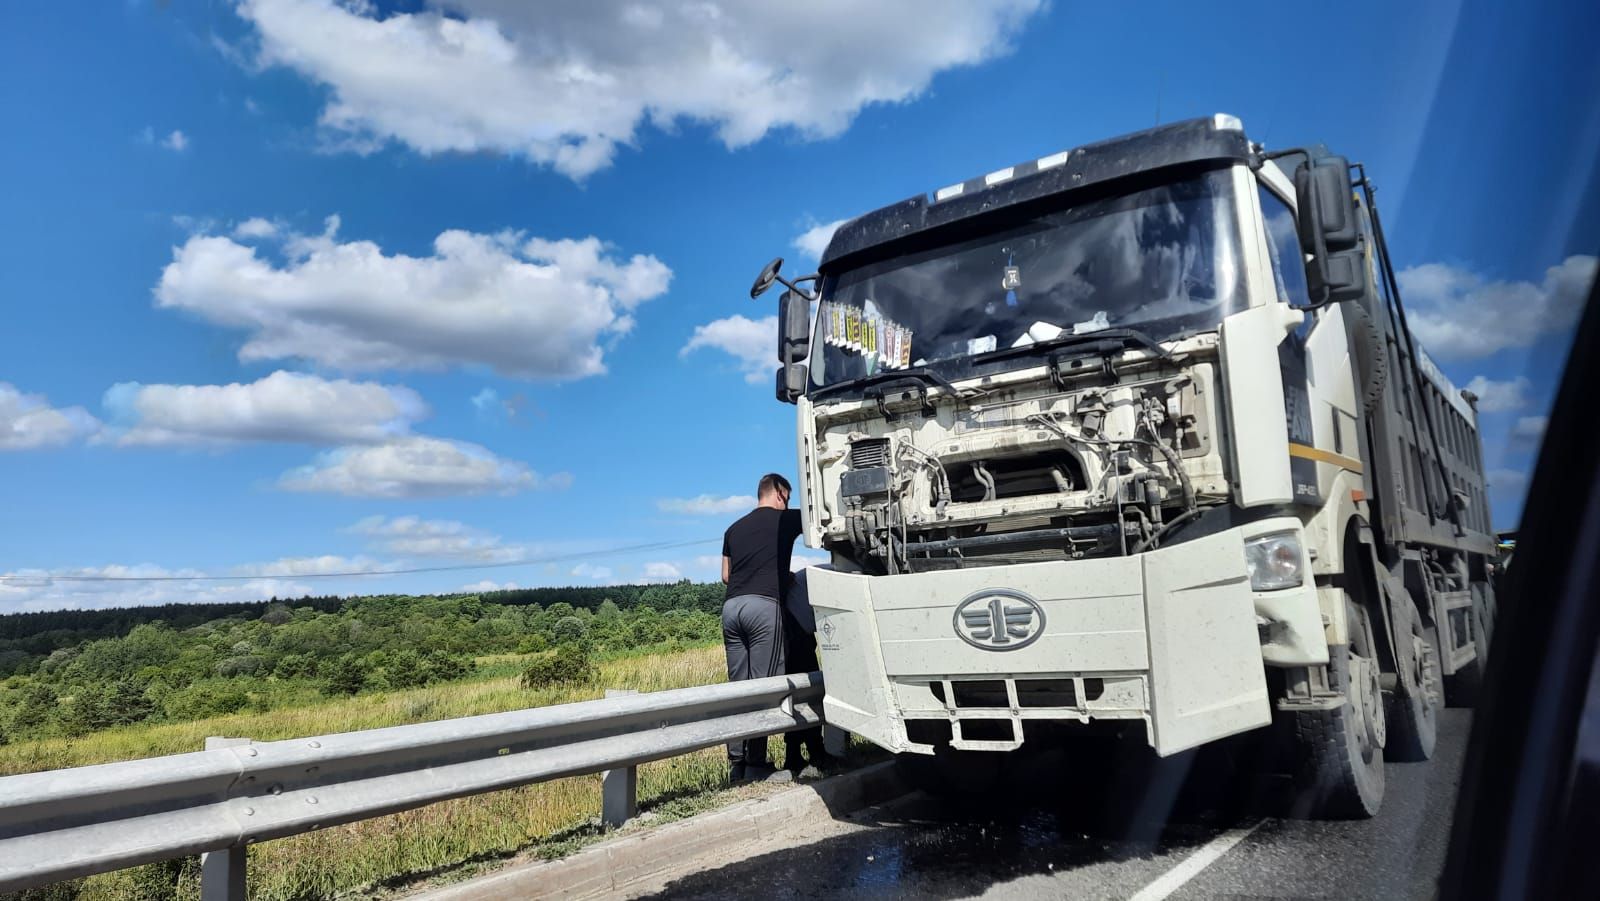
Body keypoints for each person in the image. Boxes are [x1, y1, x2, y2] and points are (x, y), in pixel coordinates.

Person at [720, 473, 804, 783]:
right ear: (780, 493)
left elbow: (726, 576)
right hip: (763, 608)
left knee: (739, 688)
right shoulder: (786, 520)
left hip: (731, 609)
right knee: (763, 686)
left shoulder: (733, 528)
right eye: (788, 497)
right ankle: (756, 765)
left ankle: (737, 763)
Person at [782, 567, 836, 779]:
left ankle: (795, 755)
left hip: (792, 631)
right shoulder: (819, 578)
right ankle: (815, 752)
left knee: (795, 697)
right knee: (810, 694)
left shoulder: (807, 578)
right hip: (797, 634)